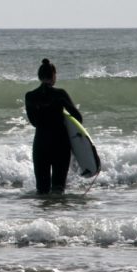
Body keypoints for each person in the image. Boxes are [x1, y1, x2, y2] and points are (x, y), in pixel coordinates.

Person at [25, 58, 82, 194]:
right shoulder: (60, 94)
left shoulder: (30, 96)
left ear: (39, 76)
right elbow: (78, 118)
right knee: (58, 189)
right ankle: (57, 215)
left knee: (42, 190)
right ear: (54, 76)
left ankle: (43, 215)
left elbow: (34, 122)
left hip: (41, 144)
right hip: (60, 145)